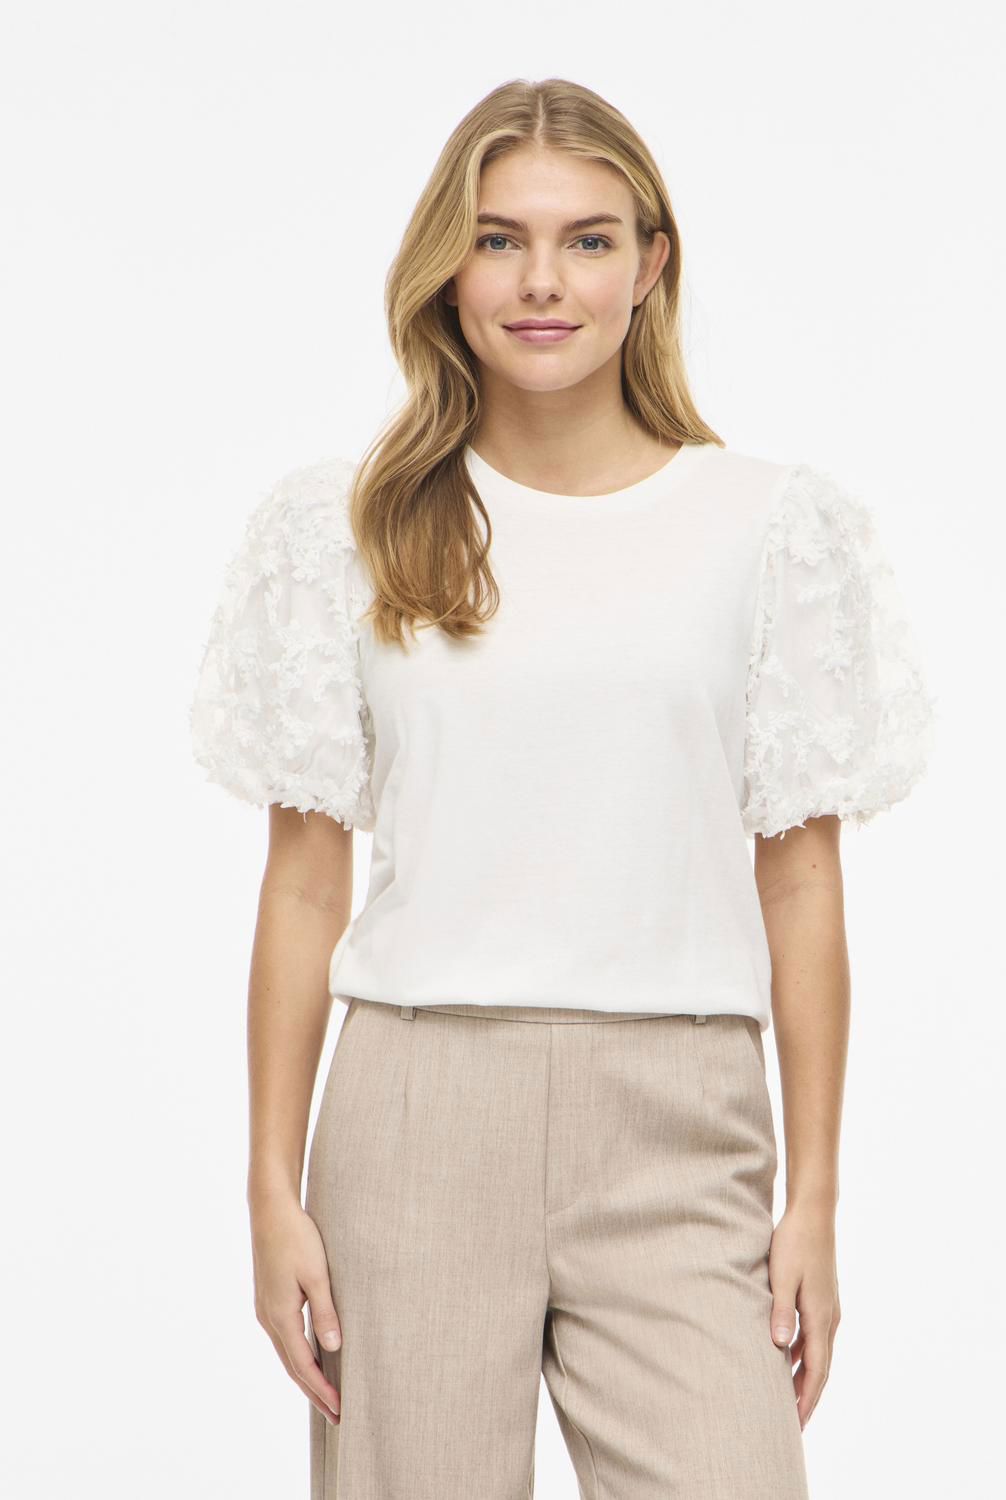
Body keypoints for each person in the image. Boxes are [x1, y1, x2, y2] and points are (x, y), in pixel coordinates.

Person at [189, 77, 936, 1500]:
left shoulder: (765, 527)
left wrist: (816, 1199)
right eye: (499, 239)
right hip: (416, 1110)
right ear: (446, 269)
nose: (543, 281)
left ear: (650, 265)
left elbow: (799, 882)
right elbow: (303, 882)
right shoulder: (348, 527)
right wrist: (270, 1188)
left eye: (588, 240)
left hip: (683, 1120)